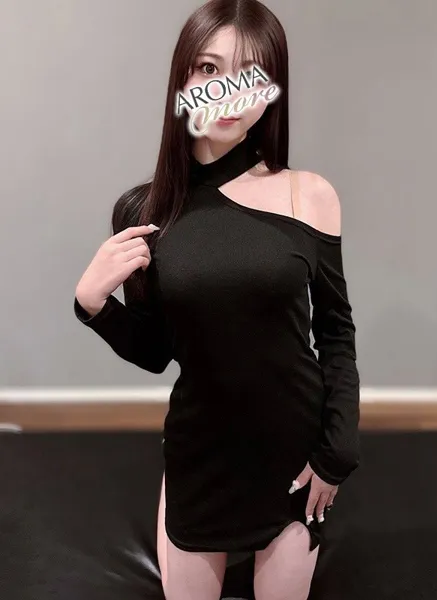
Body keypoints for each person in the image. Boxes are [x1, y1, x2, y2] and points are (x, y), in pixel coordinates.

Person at [74, 1, 361, 598]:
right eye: (209, 69)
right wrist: (94, 306)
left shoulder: (310, 195)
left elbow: (335, 332)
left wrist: (336, 453)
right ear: (183, 79)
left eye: (251, 74)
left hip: (292, 458)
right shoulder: (144, 211)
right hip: (200, 456)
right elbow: (157, 351)